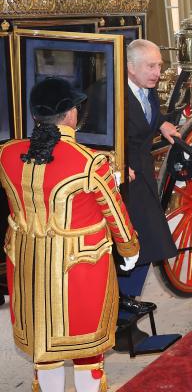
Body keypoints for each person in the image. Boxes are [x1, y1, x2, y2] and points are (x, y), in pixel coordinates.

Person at [0, 77, 140, 391]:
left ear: (36, 115)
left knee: (44, 350)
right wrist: (129, 249)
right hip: (79, 268)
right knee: (87, 352)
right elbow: (115, 215)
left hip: (27, 270)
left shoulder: (7, 155)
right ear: (71, 115)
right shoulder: (91, 161)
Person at [119, 39, 180, 343]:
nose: (158, 72)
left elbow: (148, 118)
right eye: (151, 66)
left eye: (159, 65)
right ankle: (121, 318)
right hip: (121, 181)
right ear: (130, 67)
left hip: (142, 175)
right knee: (135, 246)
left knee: (147, 244)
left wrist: (163, 124)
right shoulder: (111, 94)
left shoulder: (147, 87)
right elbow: (92, 135)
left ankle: (126, 314)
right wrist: (116, 165)